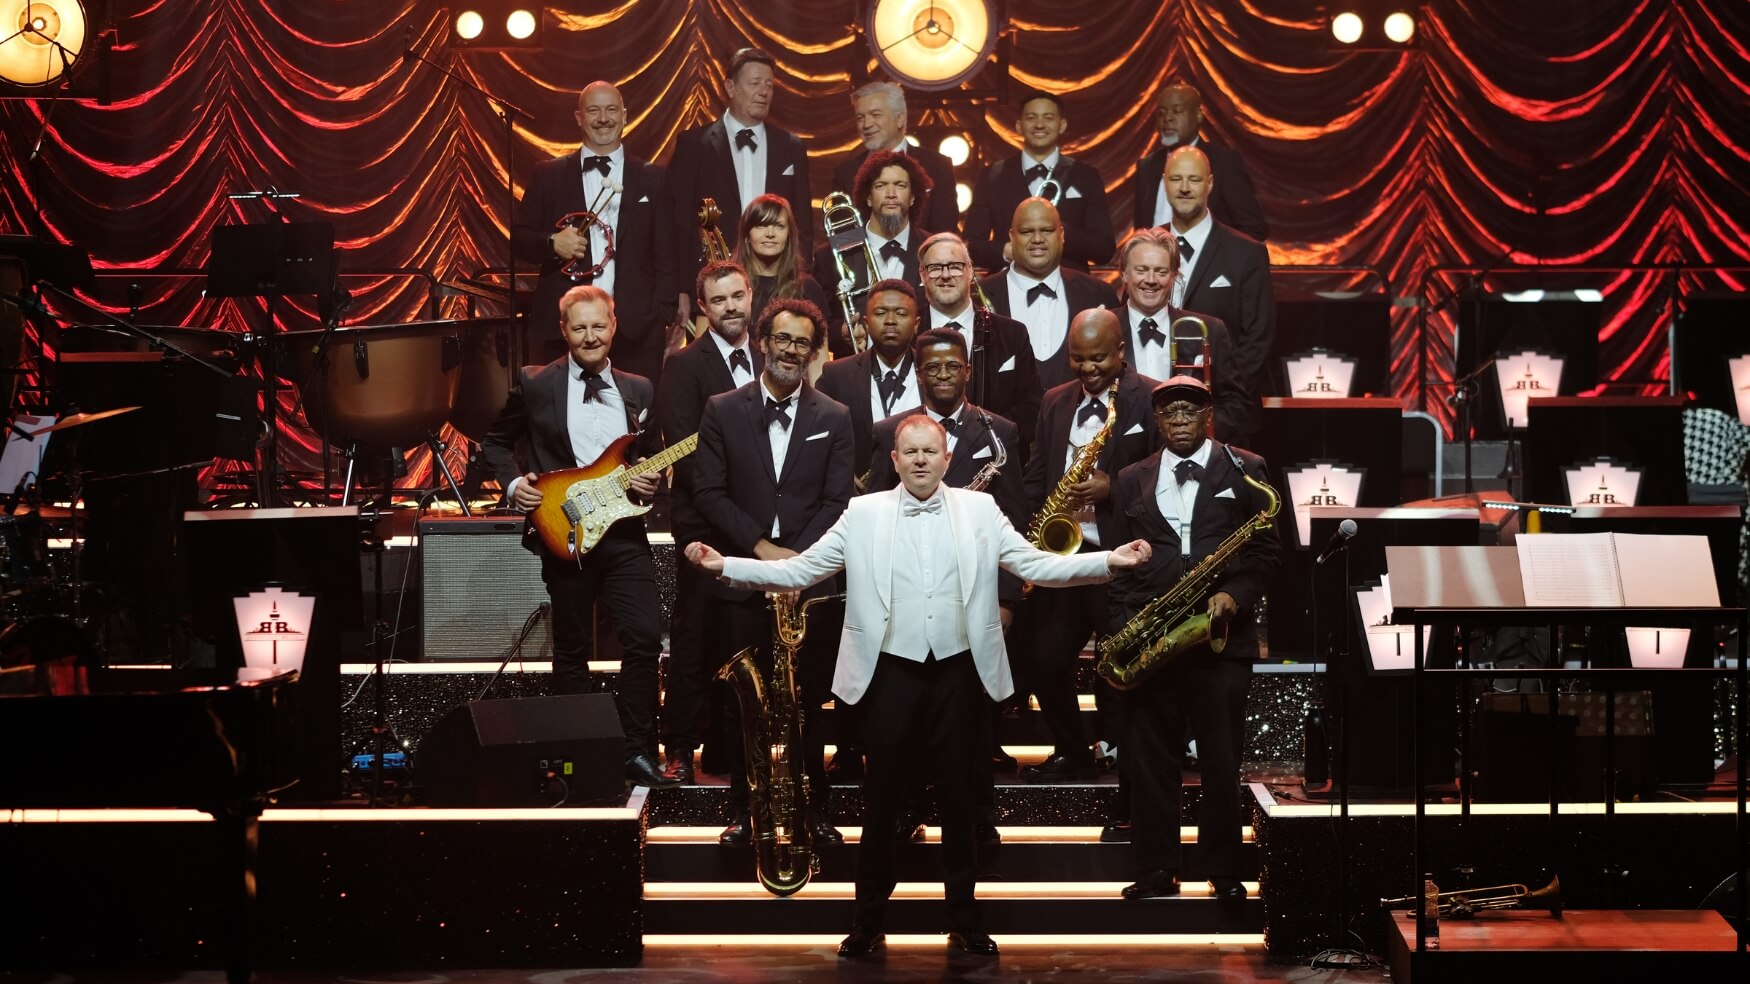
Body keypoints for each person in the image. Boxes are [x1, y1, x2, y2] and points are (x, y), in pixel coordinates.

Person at [685, 413, 1152, 958]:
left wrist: (1108, 562)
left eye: (931, 452)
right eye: (911, 453)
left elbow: (1033, 564)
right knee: (881, 803)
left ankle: (965, 920)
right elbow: (801, 571)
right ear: (895, 460)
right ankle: (866, 922)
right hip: (889, 675)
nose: (921, 461)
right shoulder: (862, 513)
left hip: (959, 671)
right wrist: (727, 567)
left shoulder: (980, 509)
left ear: (948, 459)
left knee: (960, 801)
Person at [479, 284, 679, 790]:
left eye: (599, 325)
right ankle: (579, 752)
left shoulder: (640, 389)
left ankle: (636, 752)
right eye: (579, 327)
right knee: (571, 648)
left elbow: (646, 457)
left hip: (623, 533)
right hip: (563, 530)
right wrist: (514, 484)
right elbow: (495, 443)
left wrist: (651, 479)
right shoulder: (536, 382)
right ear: (564, 330)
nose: (590, 336)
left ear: (613, 327)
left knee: (643, 638)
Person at [1106, 374, 1279, 901]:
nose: (1179, 420)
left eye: (1189, 411)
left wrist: (1236, 595)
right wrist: (1122, 632)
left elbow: (1267, 553)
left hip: (1220, 638)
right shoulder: (1131, 476)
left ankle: (1224, 871)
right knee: (1150, 760)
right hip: (1154, 635)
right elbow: (1115, 564)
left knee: (1222, 762)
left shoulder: (1246, 469)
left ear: (1208, 417)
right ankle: (1157, 868)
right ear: (1157, 420)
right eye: (1169, 413)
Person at [691, 298, 854, 845]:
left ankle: (814, 810)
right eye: (782, 339)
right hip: (743, 574)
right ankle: (745, 810)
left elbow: (837, 501)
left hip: (814, 583)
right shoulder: (721, 408)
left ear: (814, 352)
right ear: (762, 341)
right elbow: (708, 493)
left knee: (809, 700)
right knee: (746, 704)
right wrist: (763, 551)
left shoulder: (834, 415)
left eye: (801, 342)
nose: (790, 350)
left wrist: (800, 563)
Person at [1018, 309, 1161, 781]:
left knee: (1119, 660)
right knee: (1043, 657)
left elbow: (1171, 476)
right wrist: (1030, 533)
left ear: (1121, 351)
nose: (1087, 369)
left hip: (1124, 557)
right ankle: (1073, 750)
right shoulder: (1055, 400)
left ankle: (1124, 754)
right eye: (1078, 359)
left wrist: (1112, 488)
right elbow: (1038, 472)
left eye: (1098, 358)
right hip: (1066, 558)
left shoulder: (1152, 399)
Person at [656, 260, 763, 783]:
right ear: (703, 307)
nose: (730, 308)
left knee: (743, 639)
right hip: (703, 519)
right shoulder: (683, 365)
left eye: (737, 296)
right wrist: (733, 511)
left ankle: (728, 748)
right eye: (718, 301)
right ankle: (678, 747)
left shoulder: (768, 356)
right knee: (695, 637)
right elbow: (684, 449)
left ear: (751, 295)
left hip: (756, 525)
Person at [512, 81, 674, 377]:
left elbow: (667, 252)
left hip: (636, 330)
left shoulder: (654, 178)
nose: (603, 118)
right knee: (562, 421)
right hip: (565, 328)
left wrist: (662, 312)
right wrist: (551, 243)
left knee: (637, 419)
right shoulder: (549, 175)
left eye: (612, 110)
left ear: (625, 116)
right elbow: (519, 239)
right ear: (579, 118)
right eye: (593, 110)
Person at [667, 48, 812, 320]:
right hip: (713, 284)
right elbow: (678, 224)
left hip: (777, 283)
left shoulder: (791, 146)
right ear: (730, 87)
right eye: (755, 83)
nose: (764, 91)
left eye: (769, 85)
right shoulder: (693, 145)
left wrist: (801, 280)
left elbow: (802, 222)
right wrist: (681, 289)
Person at [1113, 227, 1253, 440]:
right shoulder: (1104, 329)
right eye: (1141, 270)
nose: (1151, 280)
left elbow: (1236, 405)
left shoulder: (1210, 330)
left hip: (1190, 463)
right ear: (1123, 273)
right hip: (1120, 465)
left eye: (1161, 271)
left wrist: (1194, 435)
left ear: (1174, 276)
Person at [1162, 146, 1277, 401]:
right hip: (1156, 402)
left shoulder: (1247, 253)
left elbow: (1258, 338)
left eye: (1194, 179)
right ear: (1164, 183)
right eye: (1176, 178)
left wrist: (1223, 397)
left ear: (1210, 184)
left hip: (1225, 408)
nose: (1184, 187)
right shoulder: (1146, 246)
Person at [962, 90, 1116, 273]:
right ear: (1019, 126)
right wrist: (1006, 251)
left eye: (1048, 118)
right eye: (1031, 118)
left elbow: (1104, 249)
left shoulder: (1086, 176)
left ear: (1062, 125)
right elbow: (970, 244)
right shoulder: (992, 176)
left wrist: (1058, 232)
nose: (1040, 125)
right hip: (1007, 286)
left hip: (1070, 288)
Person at [978, 198, 1119, 390]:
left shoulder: (1099, 295)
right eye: (1027, 231)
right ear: (1011, 237)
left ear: (1061, 234)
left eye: (1046, 230)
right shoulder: (978, 296)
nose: (1037, 239)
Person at [918, 232, 1041, 448]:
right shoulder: (909, 334)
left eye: (955, 266)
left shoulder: (1012, 334)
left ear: (970, 271)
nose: (946, 275)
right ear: (922, 274)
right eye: (935, 267)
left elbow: (1031, 407)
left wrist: (982, 439)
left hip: (996, 461)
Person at [813, 150, 932, 357]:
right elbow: (817, 322)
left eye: (900, 185)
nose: (891, 193)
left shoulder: (932, 249)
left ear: (913, 197)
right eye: (880, 185)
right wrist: (841, 331)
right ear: (868, 197)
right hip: (852, 374)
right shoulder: (829, 253)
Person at [816, 279, 923, 487]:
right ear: (865, 322)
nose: (890, 320)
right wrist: (841, 474)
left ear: (916, 324)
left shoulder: (935, 374)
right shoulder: (835, 375)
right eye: (880, 313)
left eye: (901, 313)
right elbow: (814, 436)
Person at [1130, 82, 1268, 242]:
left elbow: (1253, 229)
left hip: (1212, 264)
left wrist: (1214, 258)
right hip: (1158, 265)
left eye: (1177, 111)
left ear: (1198, 116)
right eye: (1161, 113)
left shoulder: (1223, 162)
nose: (1167, 118)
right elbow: (1141, 230)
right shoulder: (1147, 166)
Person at [831, 81, 959, 235]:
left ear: (900, 119)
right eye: (860, 118)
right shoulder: (845, 173)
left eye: (875, 115)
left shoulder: (938, 166)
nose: (866, 124)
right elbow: (844, 238)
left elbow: (944, 234)